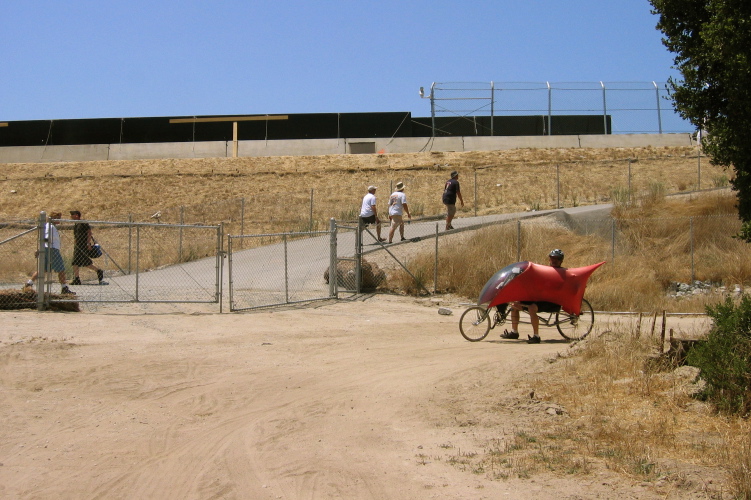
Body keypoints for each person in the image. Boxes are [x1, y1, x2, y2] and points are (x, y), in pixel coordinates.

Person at [501, 249, 567, 344]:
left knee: (532, 308)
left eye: (557, 259)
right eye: (552, 258)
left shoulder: (563, 273)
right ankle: (514, 332)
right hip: (539, 298)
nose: (554, 260)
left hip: (552, 301)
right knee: (515, 304)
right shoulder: (545, 270)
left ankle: (536, 336)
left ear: (561, 261)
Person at [27, 212, 74, 295]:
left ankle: (29, 283)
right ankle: (64, 287)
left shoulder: (49, 226)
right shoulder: (50, 227)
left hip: (46, 248)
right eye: (58, 217)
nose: (59, 219)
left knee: (43, 269)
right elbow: (46, 238)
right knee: (61, 269)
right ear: (53, 218)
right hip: (52, 249)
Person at [69, 210, 107, 285]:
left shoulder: (83, 223)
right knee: (75, 262)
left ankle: (98, 271)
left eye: (72, 215)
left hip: (83, 246)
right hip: (77, 246)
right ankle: (77, 279)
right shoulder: (76, 224)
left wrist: (88, 244)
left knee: (85, 262)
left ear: (76, 215)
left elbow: (89, 233)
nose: (71, 216)